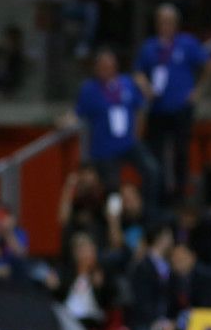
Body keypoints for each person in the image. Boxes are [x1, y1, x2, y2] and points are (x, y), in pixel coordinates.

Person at [68, 48, 167, 218]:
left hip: (129, 143)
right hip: (104, 149)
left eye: (110, 66)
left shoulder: (127, 83)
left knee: (153, 170)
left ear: (115, 67)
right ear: (96, 68)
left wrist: (137, 133)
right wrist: (65, 120)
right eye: (102, 66)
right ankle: (114, 221)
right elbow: (78, 113)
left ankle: (149, 212)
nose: (106, 69)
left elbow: (140, 108)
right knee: (112, 188)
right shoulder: (89, 89)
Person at [134, 4, 211, 202]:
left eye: (169, 21)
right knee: (156, 153)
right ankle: (158, 194)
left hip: (181, 108)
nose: (165, 25)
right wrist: (146, 87)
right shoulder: (150, 47)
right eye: (162, 21)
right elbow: (138, 72)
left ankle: (179, 195)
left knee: (181, 151)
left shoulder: (187, 43)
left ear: (176, 24)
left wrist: (198, 92)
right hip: (157, 108)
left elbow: (210, 65)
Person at [126, 225, 189, 330]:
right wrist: (156, 321)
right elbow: (141, 299)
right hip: (145, 320)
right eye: (168, 236)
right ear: (160, 237)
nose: (171, 240)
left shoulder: (169, 265)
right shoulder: (142, 265)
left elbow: (174, 299)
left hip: (167, 319)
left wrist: (172, 321)